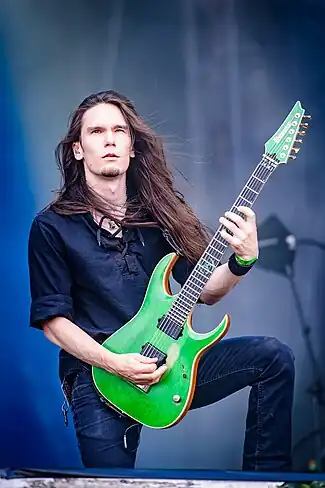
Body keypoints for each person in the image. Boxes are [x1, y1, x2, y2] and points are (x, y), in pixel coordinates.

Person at [28, 90, 295, 472]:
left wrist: (243, 260)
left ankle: (268, 480)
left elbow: (205, 291)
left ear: (132, 147)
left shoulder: (161, 217)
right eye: (97, 131)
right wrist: (117, 363)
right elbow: (54, 325)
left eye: (119, 130)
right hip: (101, 375)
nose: (109, 140)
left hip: (172, 363)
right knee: (110, 483)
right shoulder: (51, 227)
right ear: (78, 150)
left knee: (273, 357)